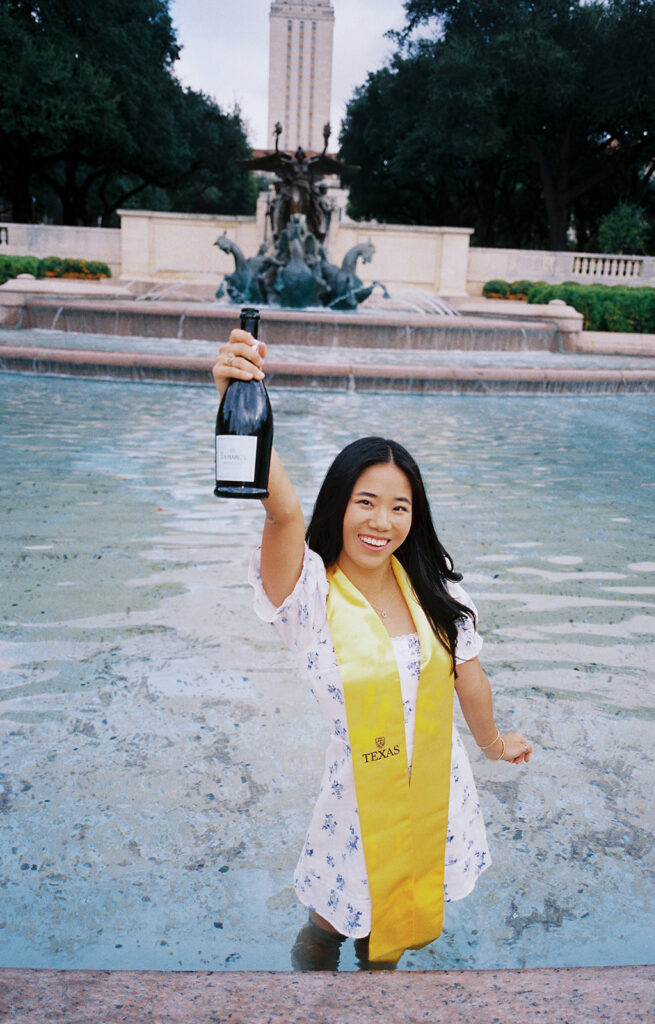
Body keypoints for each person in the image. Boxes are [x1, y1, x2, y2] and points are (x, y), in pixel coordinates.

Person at [212, 330, 533, 970]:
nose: (380, 523)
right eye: (365, 502)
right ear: (341, 503)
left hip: (436, 783)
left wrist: (495, 743)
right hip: (357, 792)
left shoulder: (435, 585)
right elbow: (282, 517)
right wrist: (243, 410)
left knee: (397, 926)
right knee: (330, 925)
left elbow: (469, 676)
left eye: (398, 507)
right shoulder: (306, 592)